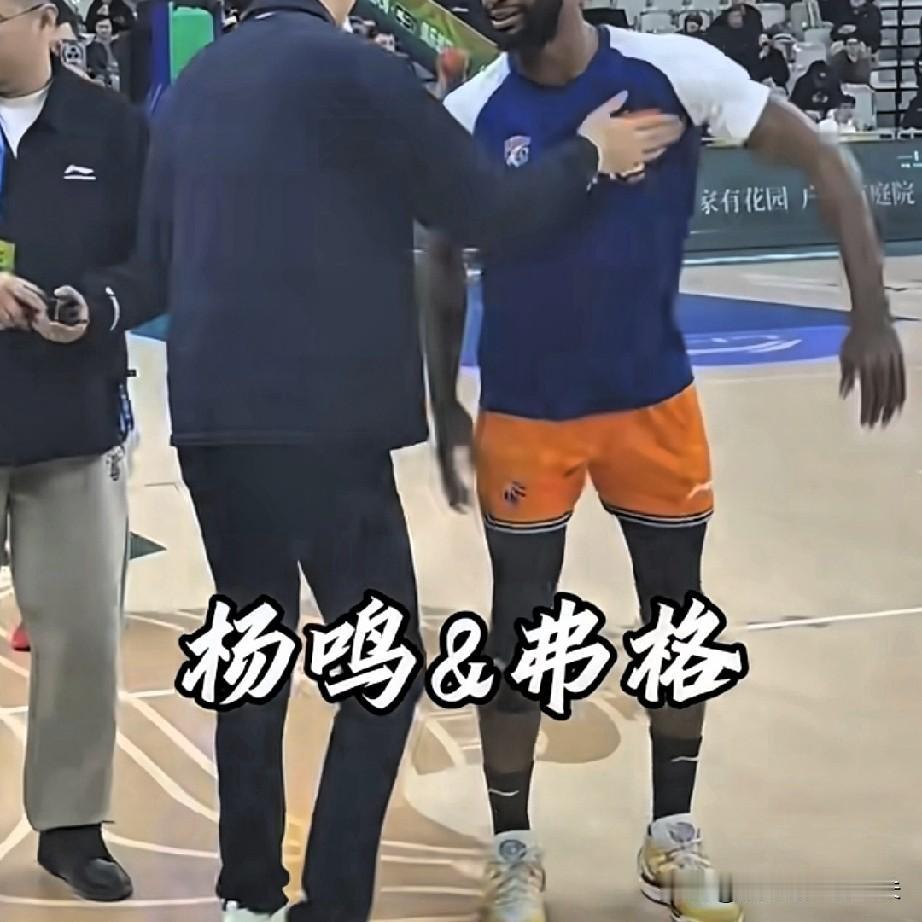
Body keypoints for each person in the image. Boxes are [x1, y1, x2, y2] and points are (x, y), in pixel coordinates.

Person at [75, 0, 681, 918]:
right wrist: (590, 153)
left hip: (211, 418)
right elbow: (486, 209)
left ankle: (249, 896)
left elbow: (150, 266)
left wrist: (91, 306)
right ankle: (333, 901)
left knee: (251, 656)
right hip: (325, 424)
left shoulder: (193, 83)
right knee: (382, 667)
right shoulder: (356, 70)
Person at [422, 2, 906, 922]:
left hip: (652, 402)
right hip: (526, 411)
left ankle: (671, 835)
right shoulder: (473, 111)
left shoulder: (673, 71)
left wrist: (872, 311)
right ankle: (514, 847)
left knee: (677, 623)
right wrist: (443, 397)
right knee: (518, 631)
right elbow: (440, 257)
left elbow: (825, 160)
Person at [0, 0, 148, 901]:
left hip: (70, 413)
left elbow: (155, 258)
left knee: (83, 633)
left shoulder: (112, 128)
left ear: (47, 20)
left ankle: (71, 827)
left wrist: (97, 305)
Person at [86, 16, 120, 87]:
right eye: (101, 27)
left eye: (106, 27)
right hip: (106, 81)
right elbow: (94, 68)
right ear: (95, 28)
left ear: (111, 28)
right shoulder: (90, 47)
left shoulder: (119, 44)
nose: (104, 30)